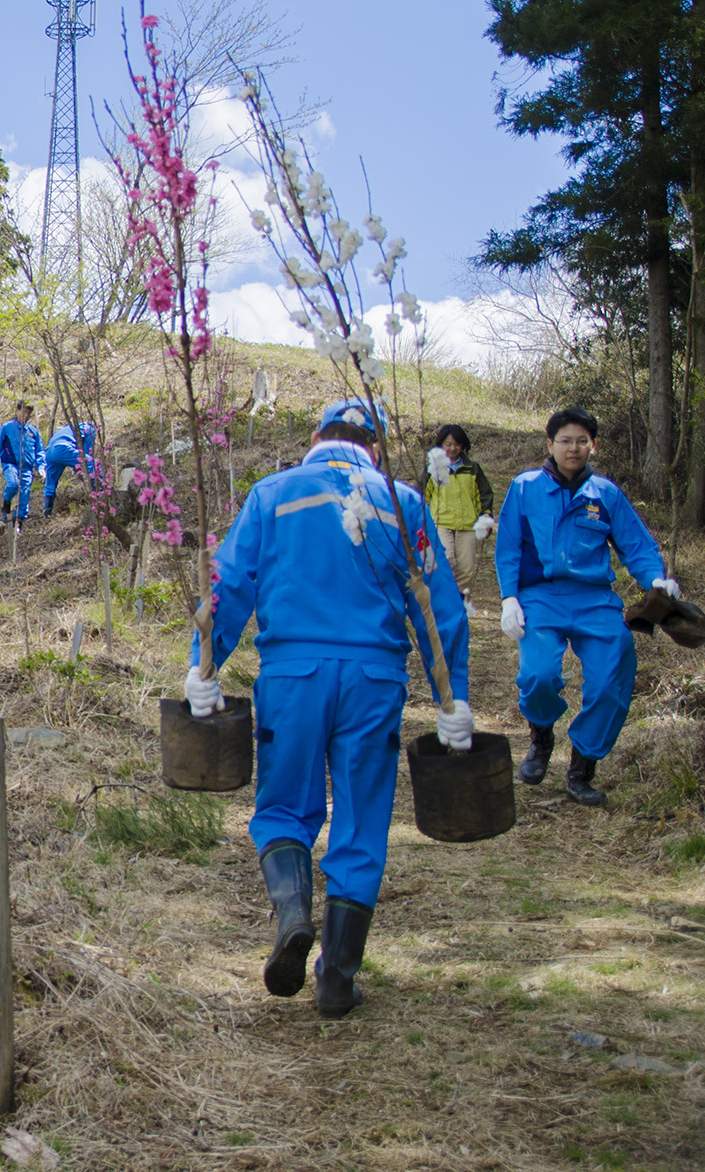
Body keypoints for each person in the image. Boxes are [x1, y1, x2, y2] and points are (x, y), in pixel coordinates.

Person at [186, 398, 470, 1019]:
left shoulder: (272, 494)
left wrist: (202, 666)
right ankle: (337, 979)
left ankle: (293, 914)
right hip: (374, 677)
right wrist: (454, 700)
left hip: (292, 675)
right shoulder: (403, 502)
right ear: (376, 446)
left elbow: (228, 586)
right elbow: (437, 607)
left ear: (316, 436)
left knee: (284, 807)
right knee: (363, 820)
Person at [496, 406, 676, 806]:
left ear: (592, 445)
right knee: (539, 674)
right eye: (565, 440)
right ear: (550, 444)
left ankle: (582, 767)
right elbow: (508, 547)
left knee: (614, 672)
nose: (573, 448)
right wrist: (509, 596)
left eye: (581, 441)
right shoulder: (524, 488)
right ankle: (541, 735)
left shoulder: (606, 493)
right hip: (540, 597)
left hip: (595, 601)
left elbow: (638, 546)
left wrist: (656, 581)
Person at [422, 422, 495, 608]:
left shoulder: (473, 469)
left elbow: (485, 495)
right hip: (441, 523)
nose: (452, 448)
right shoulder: (433, 469)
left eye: (456, 444)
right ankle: (443, 600)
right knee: (446, 560)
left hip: (468, 525)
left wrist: (485, 518)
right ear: (441, 445)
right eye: (448, 444)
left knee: (467, 569)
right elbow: (420, 495)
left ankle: (459, 605)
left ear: (463, 445)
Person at [41, 420, 102, 517]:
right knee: (94, 465)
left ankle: (47, 513)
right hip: (62, 448)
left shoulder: (68, 428)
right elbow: (87, 454)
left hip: (49, 452)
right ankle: (101, 495)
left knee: (50, 484)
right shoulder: (90, 429)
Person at [0, 402, 37, 524]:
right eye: (23, 412)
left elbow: (40, 450)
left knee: (25, 492)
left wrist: (41, 466)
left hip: (26, 467)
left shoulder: (32, 431)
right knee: (13, 484)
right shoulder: (7, 428)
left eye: (28, 413)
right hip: (10, 463)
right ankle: (6, 503)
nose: (25, 416)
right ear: (17, 410)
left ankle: (19, 520)